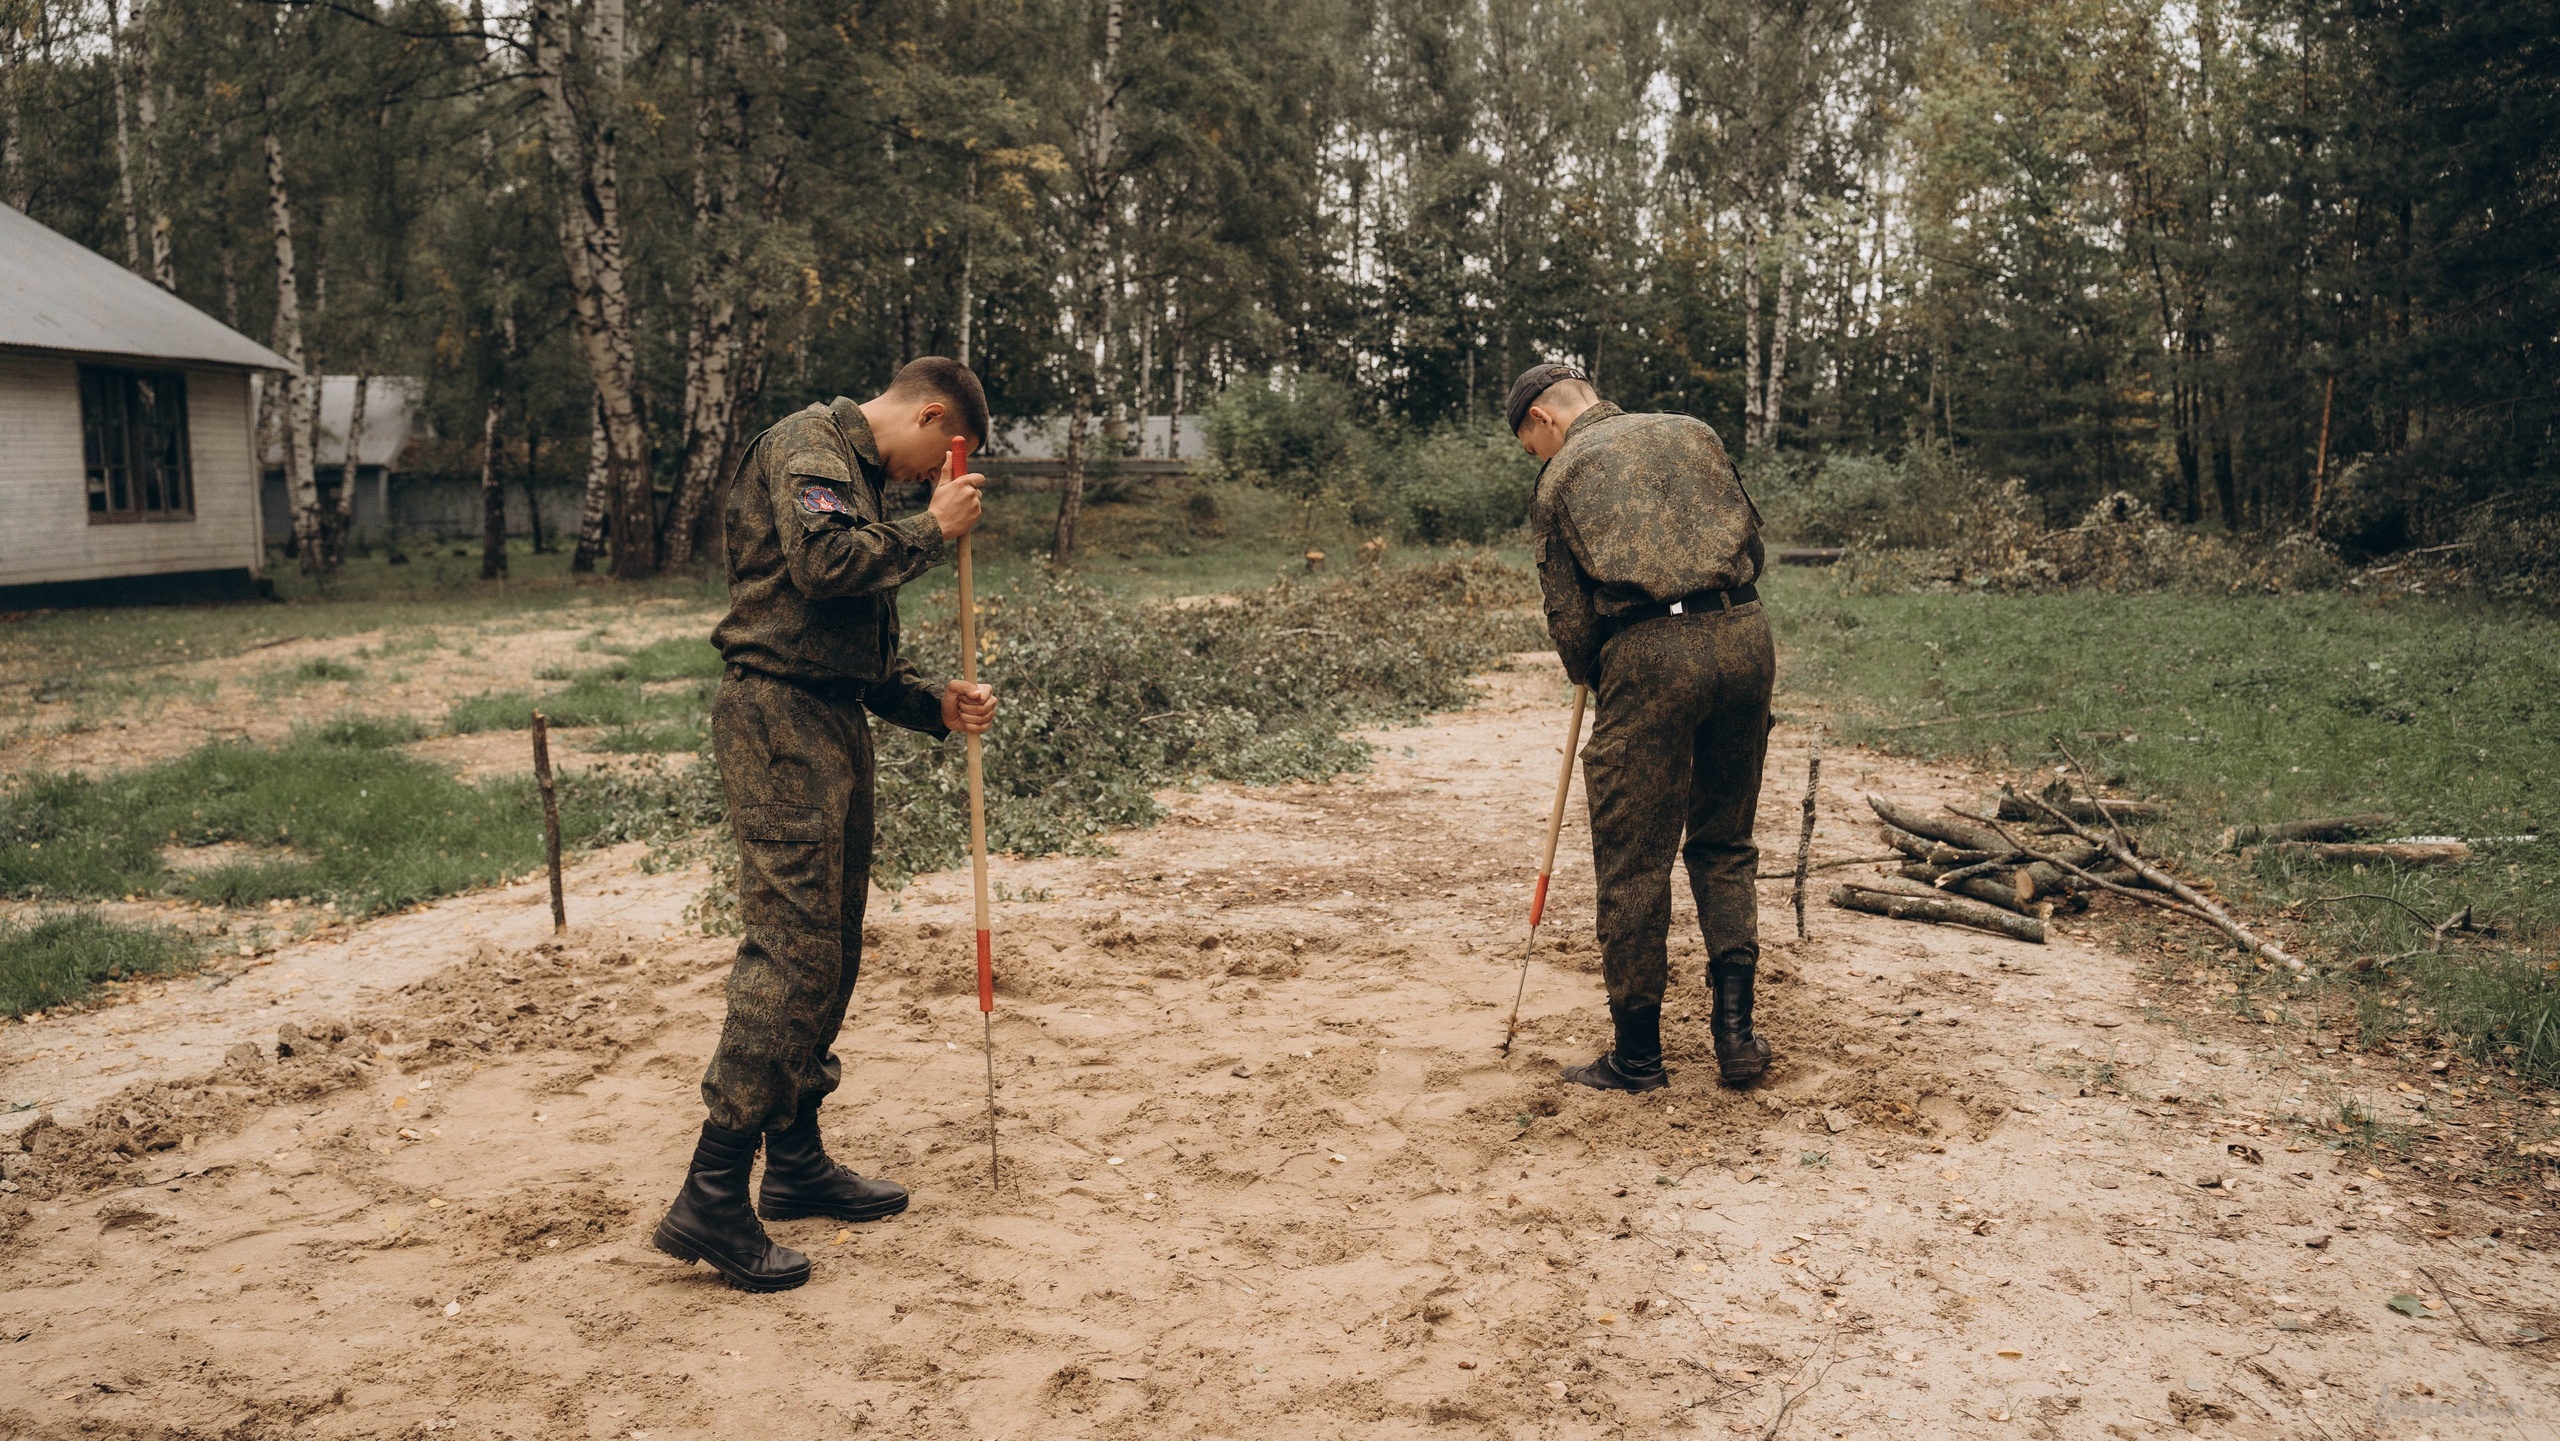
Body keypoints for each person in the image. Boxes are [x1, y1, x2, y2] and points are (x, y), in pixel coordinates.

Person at [652, 357, 999, 1292]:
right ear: (930, 414)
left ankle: (794, 1156)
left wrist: (935, 705)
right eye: (937, 461)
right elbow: (825, 563)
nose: (930, 480)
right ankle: (712, 1190)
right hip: (778, 721)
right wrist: (933, 528)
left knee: (833, 944)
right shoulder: (811, 444)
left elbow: (846, 639)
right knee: (791, 948)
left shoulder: (854, 476)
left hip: (830, 716)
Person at [1508, 362, 1775, 1092]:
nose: (1537, 458)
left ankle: (1637, 1057)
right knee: (1724, 838)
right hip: (1747, 635)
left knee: (1634, 855)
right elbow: (1753, 549)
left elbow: (1568, 616)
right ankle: (1737, 1036)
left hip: (1652, 657)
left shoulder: (1562, 476)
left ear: (1542, 419)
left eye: (1530, 446)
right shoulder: (1697, 433)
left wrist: (1588, 664)